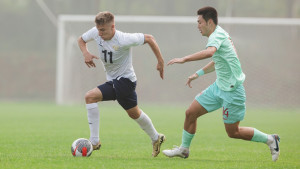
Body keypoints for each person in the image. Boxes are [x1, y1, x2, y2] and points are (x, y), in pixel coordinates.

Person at [162, 6, 280, 161]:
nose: (197, 26)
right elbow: (217, 61)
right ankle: (184, 149)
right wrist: (198, 73)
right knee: (191, 113)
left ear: (209, 22)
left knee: (233, 132)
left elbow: (210, 52)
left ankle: (271, 139)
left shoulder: (216, 36)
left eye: (199, 22)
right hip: (218, 87)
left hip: (233, 91)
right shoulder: (219, 35)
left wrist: (184, 59)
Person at [77, 11, 165, 157]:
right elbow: (81, 40)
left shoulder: (124, 39)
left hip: (125, 81)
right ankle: (156, 138)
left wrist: (160, 61)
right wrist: (85, 53)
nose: (100, 33)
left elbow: (150, 38)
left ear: (113, 27)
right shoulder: (96, 32)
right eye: (98, 30)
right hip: (114, 80)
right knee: (134, 113)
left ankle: (94, 142)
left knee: (90, 97)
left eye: (103, 30)